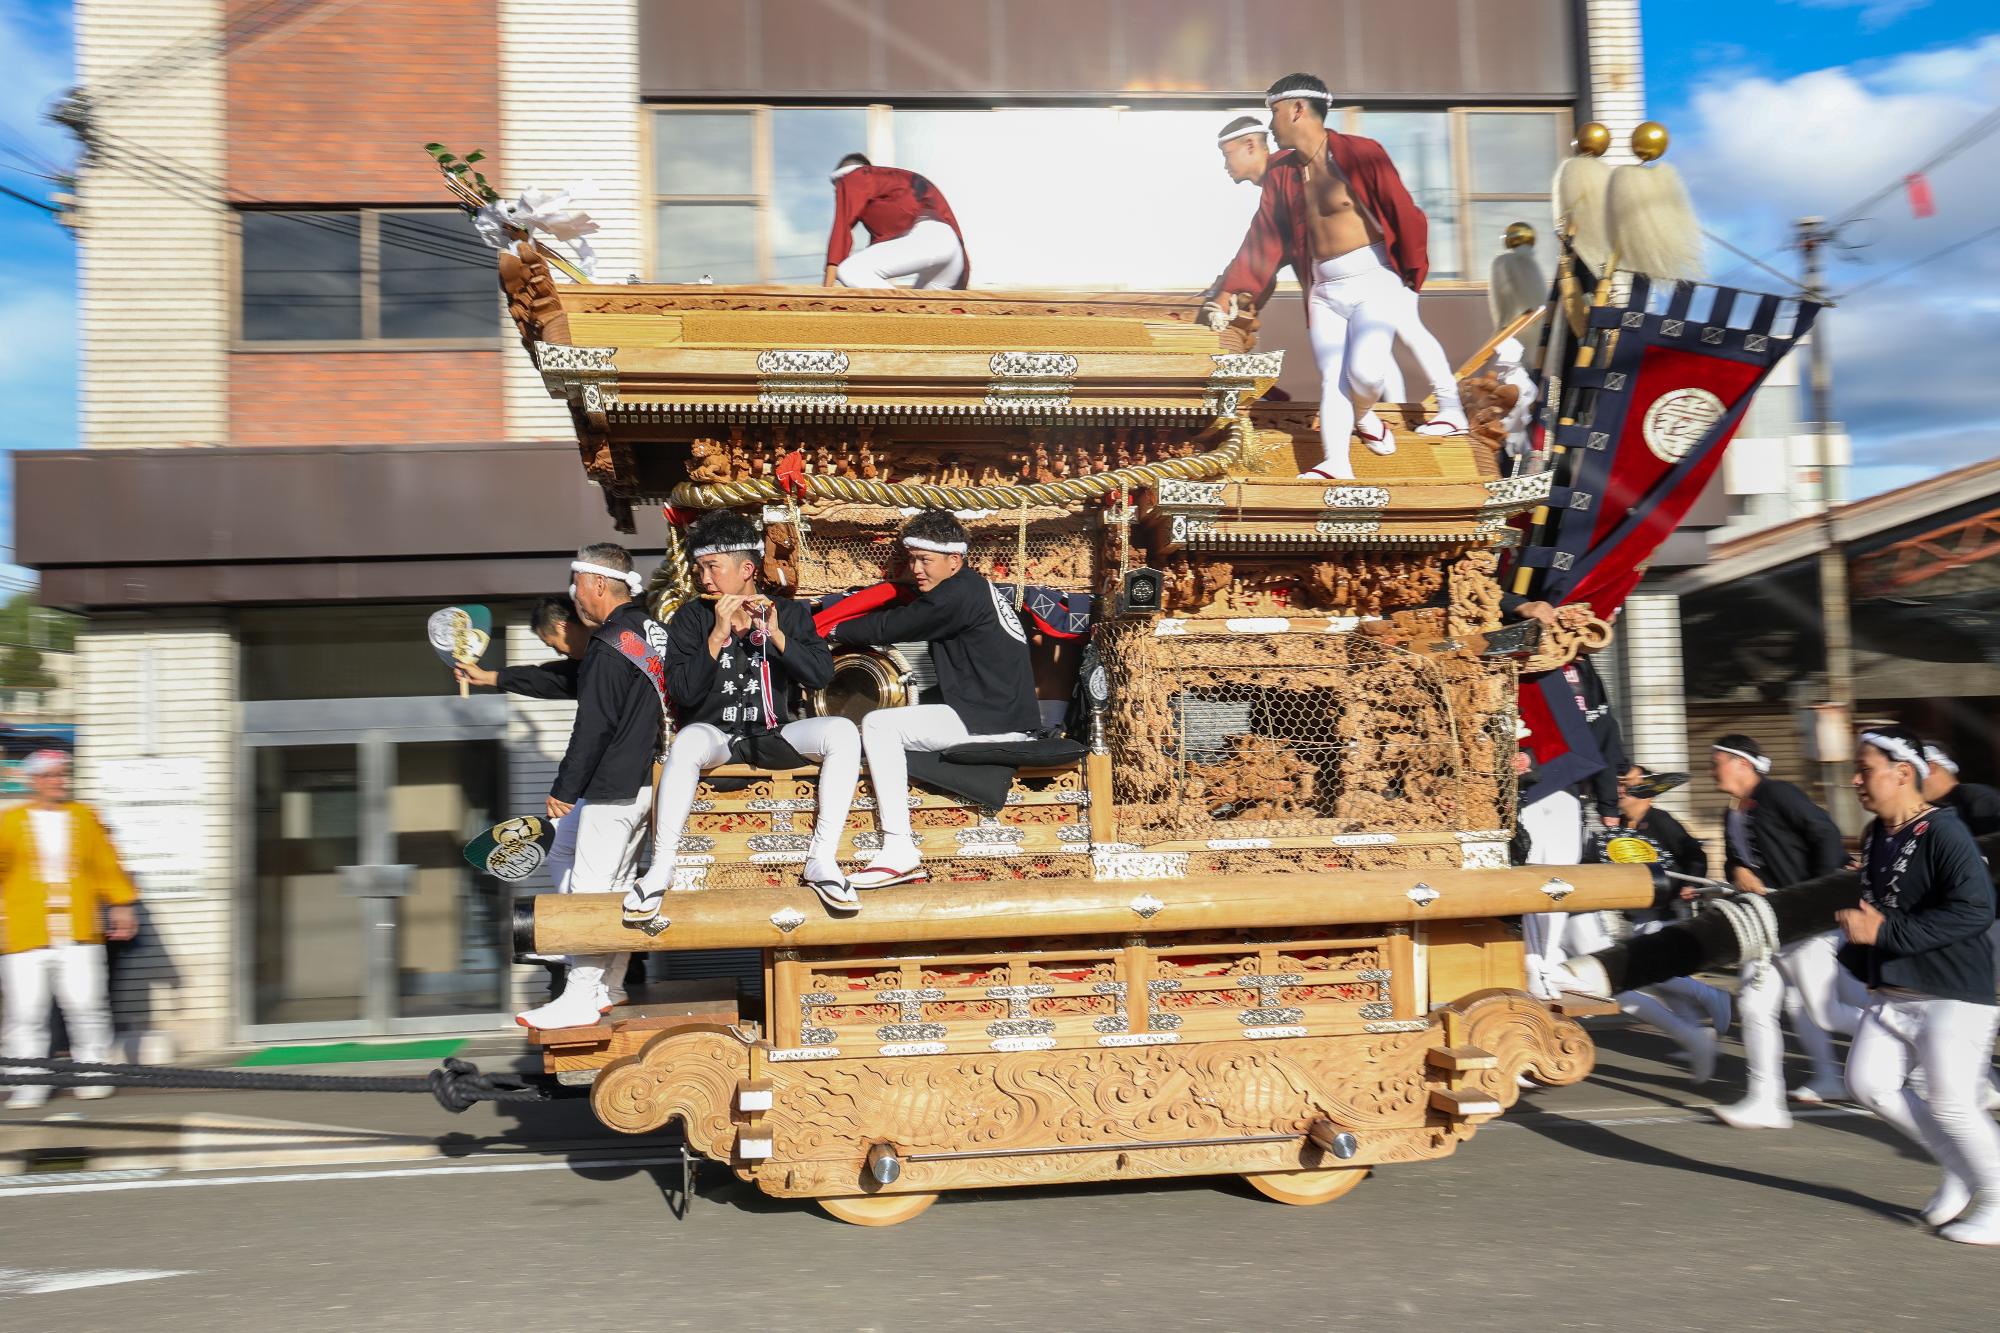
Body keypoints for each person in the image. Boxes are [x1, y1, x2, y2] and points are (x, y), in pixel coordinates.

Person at [1214, 73, 1467, 482]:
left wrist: (1409, 275)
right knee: (1334, 376)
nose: (1271, 124)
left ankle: (1387, 415)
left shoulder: (1362, 153)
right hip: (1323, 289)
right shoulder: (1282, 173)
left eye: (1274, 112)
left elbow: (1406, 214)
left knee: (1368, 373)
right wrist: (1230, 290)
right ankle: (1337, 463)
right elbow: (1263, 240)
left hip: (1375, 277)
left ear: (1297, 109)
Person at [630, 511, 862, 916]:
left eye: (712, 567)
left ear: (747, 569)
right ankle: (662, 867)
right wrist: (717, 635)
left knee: (842, 731)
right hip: (716, 738)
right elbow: (683, 693)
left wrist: (774, 633)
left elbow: (822, 675)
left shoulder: (787, 613)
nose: (704, 578)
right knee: (687, 741)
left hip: (773, 736)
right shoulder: (691, 619)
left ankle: (822, 859)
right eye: (700, 568)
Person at [1836, 725, 2000, 1245]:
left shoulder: (1945, 831)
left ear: (1903, 772)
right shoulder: (1876, 833)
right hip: (1896, 991)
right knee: (1866, 1083)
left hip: (1953, 992)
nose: (1856, 779)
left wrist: (1884, 933)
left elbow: (1976, 910)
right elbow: (1881, 911)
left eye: (1866, 769)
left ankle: (1997, 1198)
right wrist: (1868, 956)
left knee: (1953, 1103)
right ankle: (1961, 1169)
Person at [828, 510, 1042, 888]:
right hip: (994, 714)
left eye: (925, 559)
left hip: (992, 722)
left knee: (878, 724)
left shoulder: (959, 593)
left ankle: (899, 850)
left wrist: (829, 629)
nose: (916, 569)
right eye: (912, 559)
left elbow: (893, 626)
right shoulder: (974, 588)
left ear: (954, 560)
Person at [515, 544, 668, 1030]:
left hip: (614, 784)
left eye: (576, 583)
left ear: (598, 585)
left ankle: (582, 994)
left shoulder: (607, 643)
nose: (573, 595)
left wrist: (566, 786)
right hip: (653, 779)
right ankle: (612, 984)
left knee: (589, 892)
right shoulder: (651, 631)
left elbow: (593, 726)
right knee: (621, 888)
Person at [1710, 733, 1867, 1127]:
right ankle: (1767, 1100)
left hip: (1802, 919)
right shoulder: (1732, 812)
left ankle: (1916, 1045)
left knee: (1824, 1010)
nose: (1713, 768)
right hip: (1766, 923)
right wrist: (1738, 871)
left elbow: (1825, 833)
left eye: (1719, 761)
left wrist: (1819, 895)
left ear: (1742, 764)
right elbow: (1735, 861)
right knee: (1754, 1006)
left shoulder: (1778, 794)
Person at [0, 751, 138, 1109]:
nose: (57, 781)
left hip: (79, 932)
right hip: (25, 933)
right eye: (49, 775)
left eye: (62, 774)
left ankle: (92, 1075)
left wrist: (121, 903)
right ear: (33, 781)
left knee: (87, 1005)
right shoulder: (9, 822)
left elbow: (107, 865)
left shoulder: (85, 817)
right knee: (25, 1012)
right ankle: (29, 1081)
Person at [823, 153, 969, 290]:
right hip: (951, 249)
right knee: (922, 313)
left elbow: (841, 230)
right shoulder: (891, 182)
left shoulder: (853, 177)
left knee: (851, 270)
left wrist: (825, 294)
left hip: (926, 239)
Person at [456, 594, 587, 699]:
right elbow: (543, 679)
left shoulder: (605, 651)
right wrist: (488, 677)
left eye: (553, 645)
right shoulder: (583, 667)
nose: (558, 653)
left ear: (563, 627)